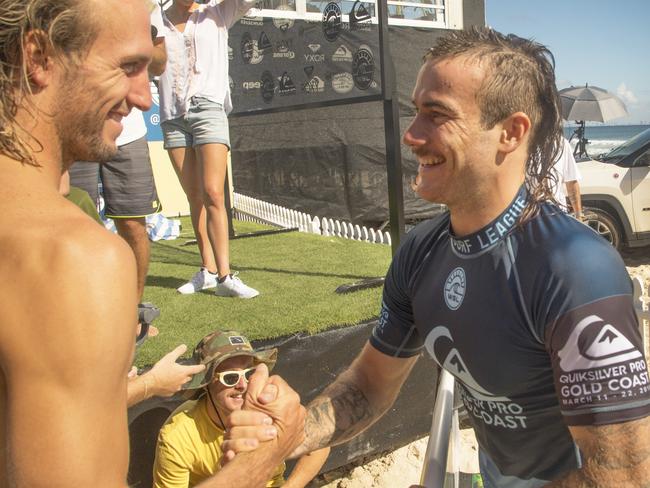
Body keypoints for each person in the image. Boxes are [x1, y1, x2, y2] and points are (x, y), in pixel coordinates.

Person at [225, 27, 650, 486]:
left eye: (437, 114)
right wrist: (289, 432)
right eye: (415, 112)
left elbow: (621, 474)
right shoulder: (421, 251)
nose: (411, 135)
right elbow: (369, 386)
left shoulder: (575, 269)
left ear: (510, 132)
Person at [0, 0, 304, 485]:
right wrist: (270, 455)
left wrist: (142, 387)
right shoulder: (72, 256)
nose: (145, 97)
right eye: (128, 67)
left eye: (150, 69)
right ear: (38, 58)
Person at [67, 0, 167, 301]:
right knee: (73, 222)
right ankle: (82, 306)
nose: (144, 99)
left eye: (139, 67)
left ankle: (133, 310)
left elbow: (161, 60)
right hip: (77, 129)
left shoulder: (146, 6)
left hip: (129, 135)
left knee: (134, 225)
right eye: (126, 66)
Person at [159, 0, 259, 298]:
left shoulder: (217, 11)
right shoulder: (155, 18)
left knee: (214, 192)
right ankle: (207, 270)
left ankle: (226, 276)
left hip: (208, 109)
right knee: (194, 196)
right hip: (173, 115)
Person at [153, 330, 330, 487]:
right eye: (230, 378)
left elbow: (320, 445)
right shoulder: (179, 435)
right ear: (206, 384)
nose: (242, 385)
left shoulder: (273, 406)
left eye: (249, 373)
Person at [550, 137, 583, 220]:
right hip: (527, 216)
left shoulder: (561, 143)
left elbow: (571, 181)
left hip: (557, 213)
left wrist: (579, 215)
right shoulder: (521, 143)